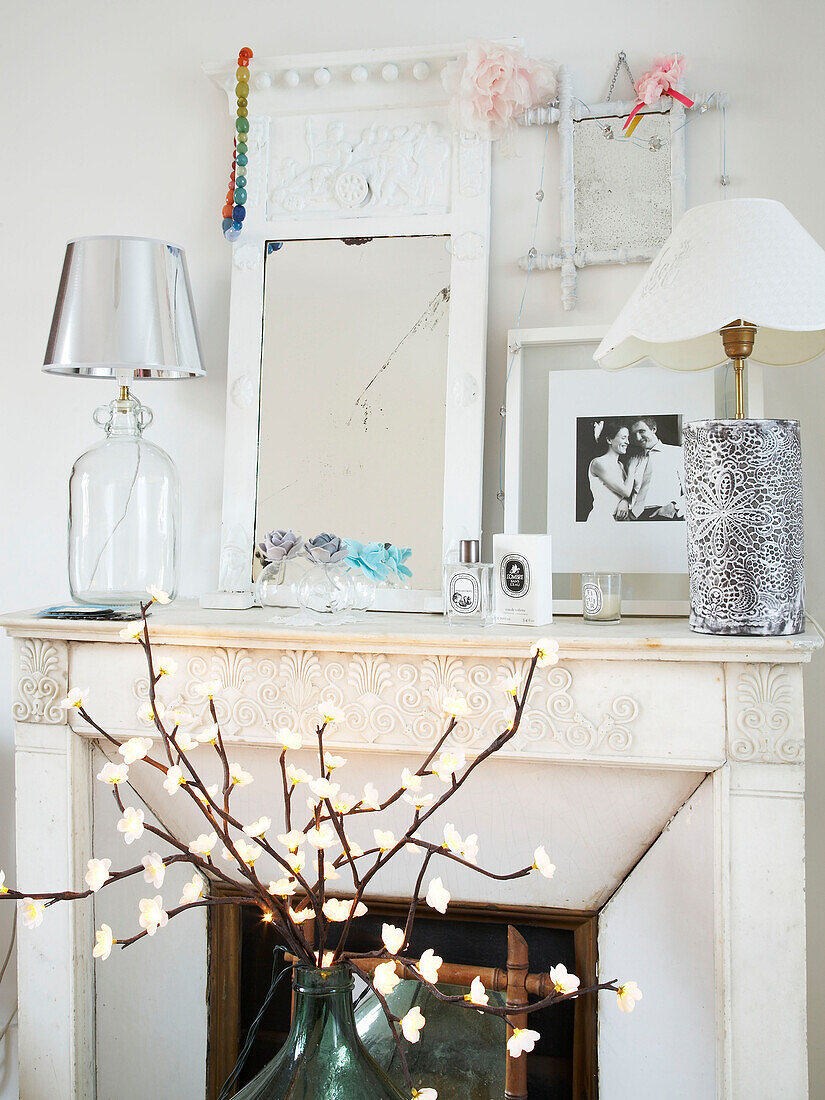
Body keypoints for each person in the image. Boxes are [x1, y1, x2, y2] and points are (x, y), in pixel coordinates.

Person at [620, 416, 684, 521]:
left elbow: (694, 491)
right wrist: (624, 501)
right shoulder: (633, 460)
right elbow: (627, 490)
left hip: (662, 515)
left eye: (641, 431)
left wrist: (674, 507)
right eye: (634, 434)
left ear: (653, 429)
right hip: (632, 518)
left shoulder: (677, 453)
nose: (638, 438)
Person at [587, 420, 643, 522]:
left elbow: (624, 493)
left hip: (619, 520)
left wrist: (624, 502)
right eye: (623, 438)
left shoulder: (620, 465)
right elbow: (626, 491)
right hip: (602, 518)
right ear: (609, 440)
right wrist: (631, 468)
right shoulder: (598, 463)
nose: (627, 442)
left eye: (628, 438)